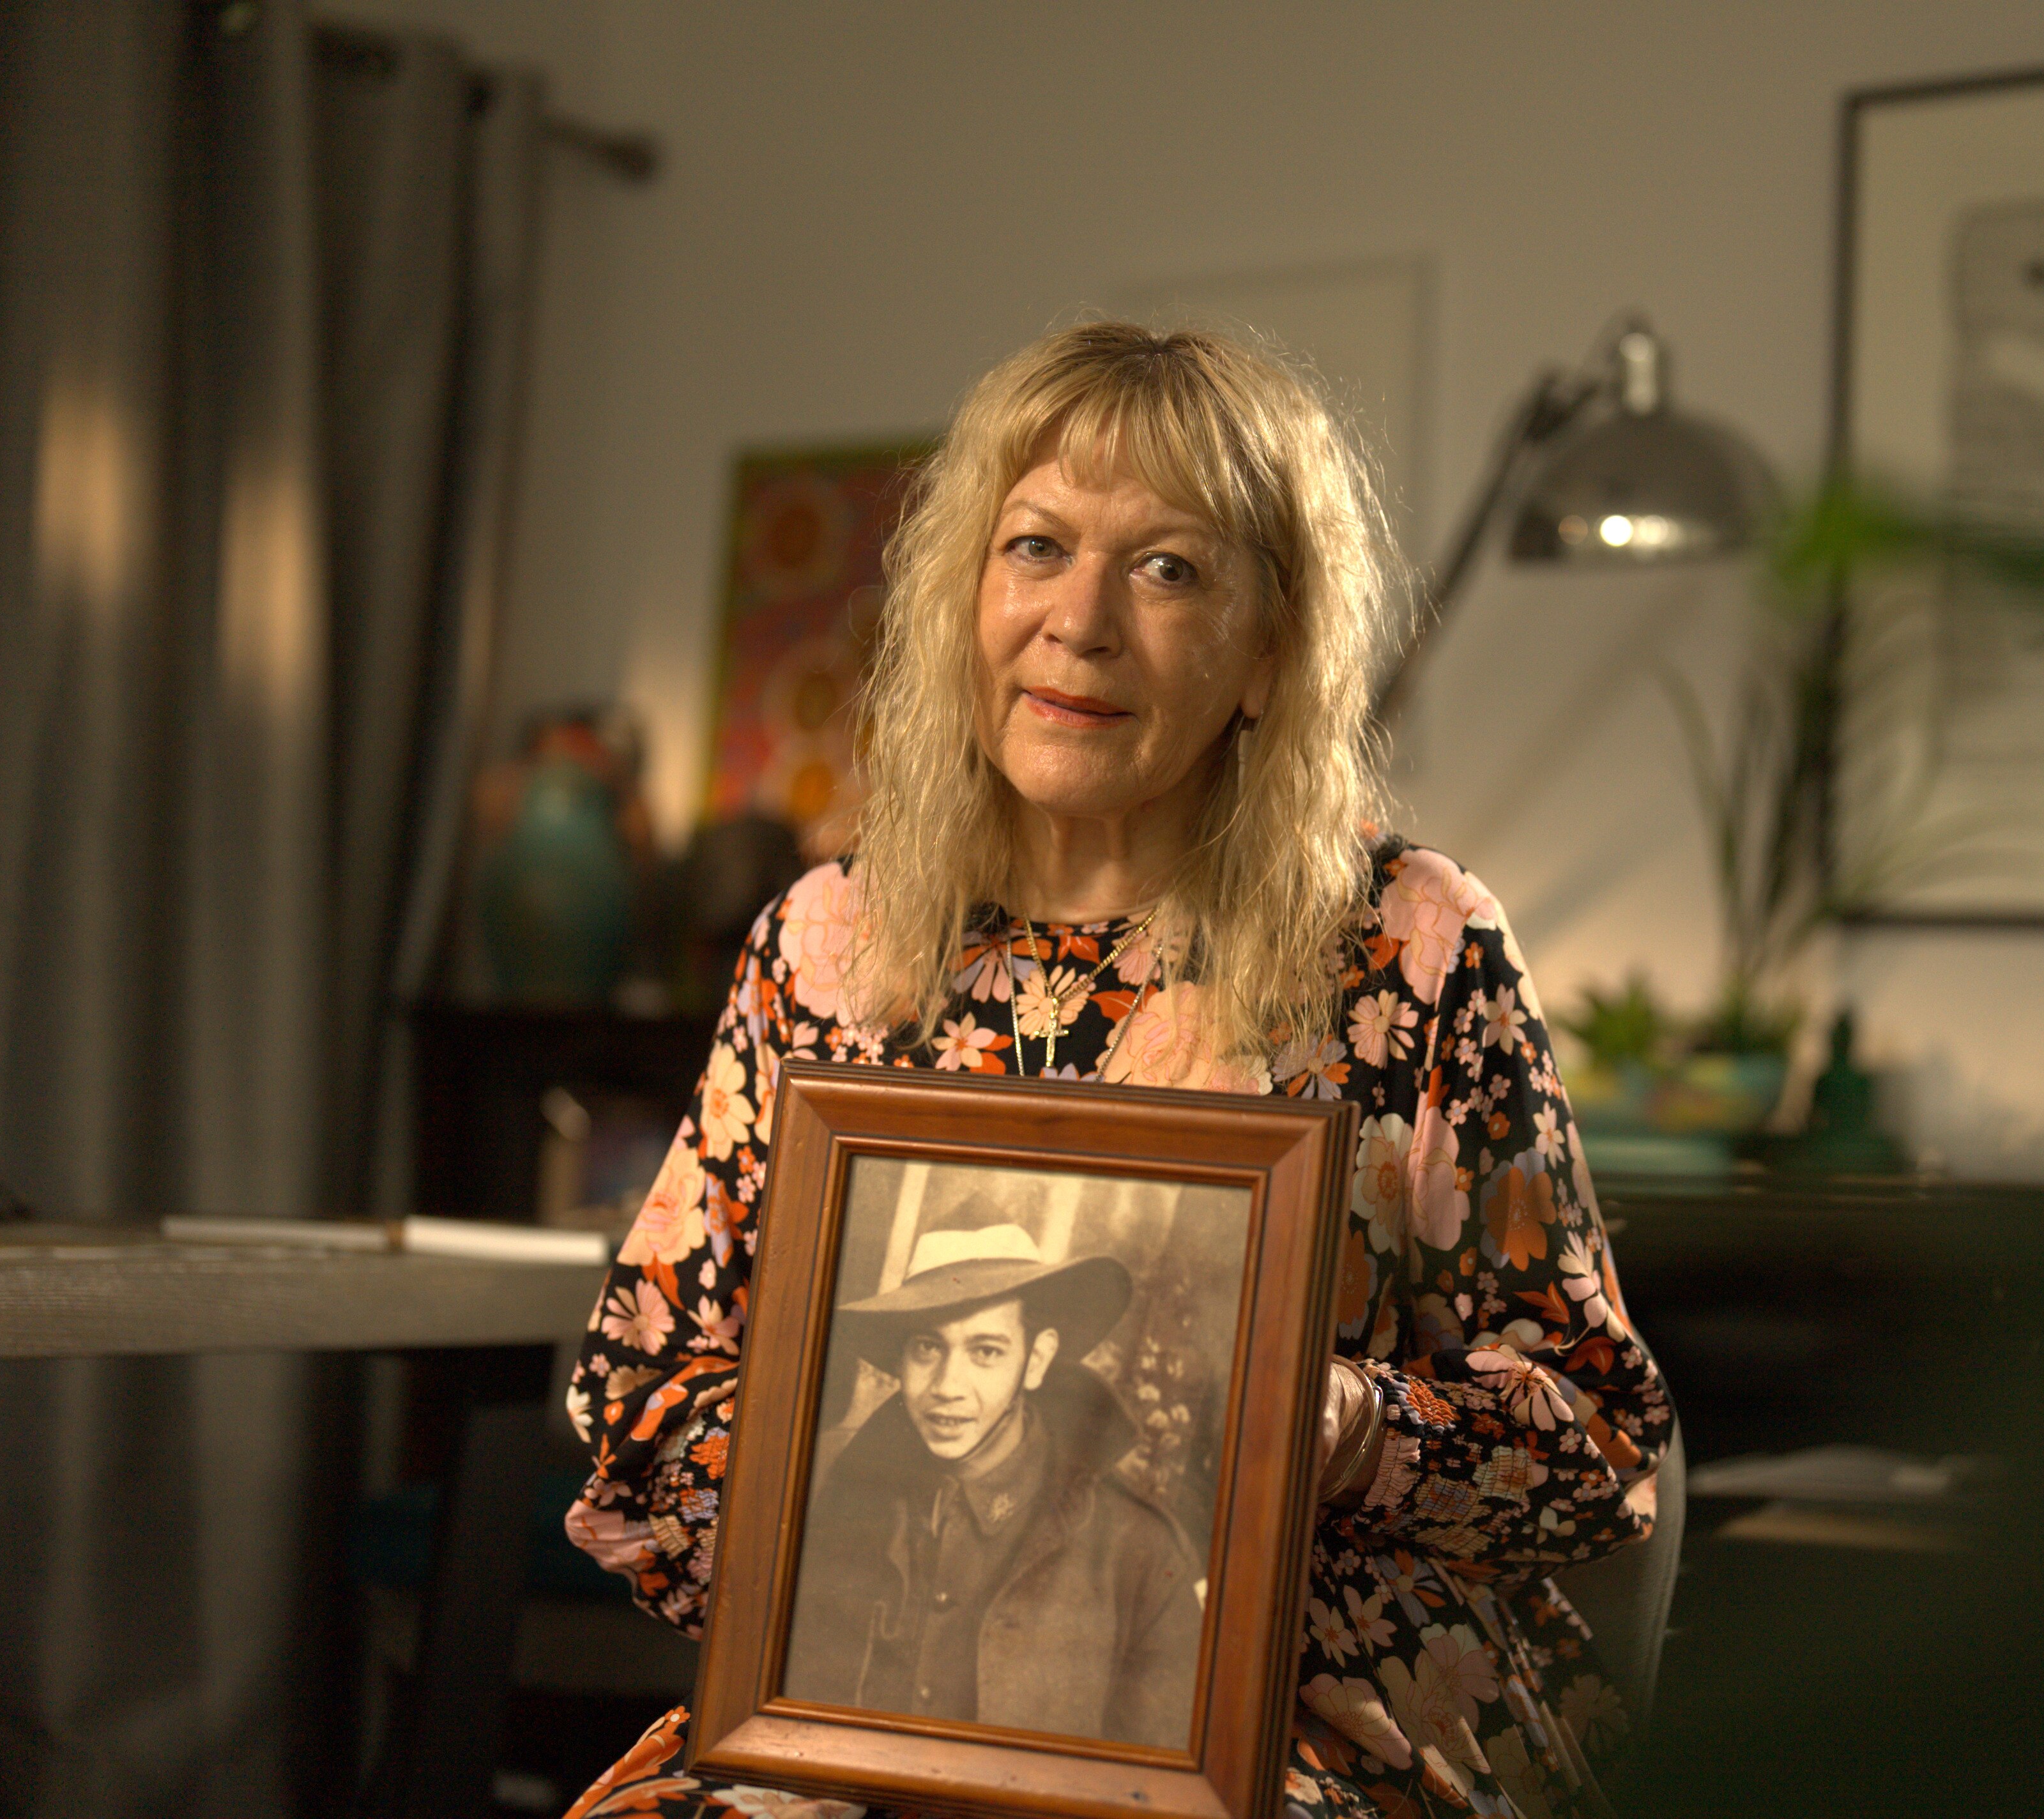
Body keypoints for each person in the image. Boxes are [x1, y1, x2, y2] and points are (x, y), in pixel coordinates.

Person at [560, 322, 1671, 1819]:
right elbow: (640, 1397)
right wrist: (842, 1508)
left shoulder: (1414, 945)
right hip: (871, 1695)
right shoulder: (825, 942)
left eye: (1169, 568)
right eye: (1037, 547)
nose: (1080, 622)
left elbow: (1596, 1441)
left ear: (1270, 648)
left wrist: (1345, 1425)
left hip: (1298, 1706)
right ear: (971, 594)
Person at [786, 1223, 1201, 1746]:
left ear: (1038, 1359)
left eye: (986, 1351)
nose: (947, 1388)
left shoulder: (1139, 1551)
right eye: (927, 1348)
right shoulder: (832, 1496)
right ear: (900, 1358)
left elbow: (1157, 1783)